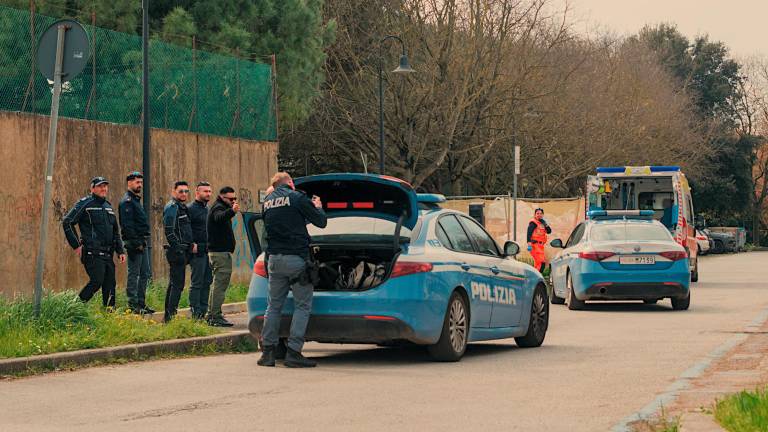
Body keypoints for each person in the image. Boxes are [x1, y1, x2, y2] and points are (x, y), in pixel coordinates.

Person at [258, 172, 327, 368]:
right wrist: (318, 207)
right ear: (290, 183)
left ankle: (268, 353)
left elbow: (287, 222)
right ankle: (294, 352)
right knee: (302, 306)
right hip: (295, 259)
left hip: (274, 260)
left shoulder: (268, 201)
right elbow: (320, 222)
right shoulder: (297, 197)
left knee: (273, 306)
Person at [62, 177, 126, 308]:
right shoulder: (85, 204)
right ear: (92, 189)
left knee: (110, 285)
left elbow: (115, 231)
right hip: (92, 253)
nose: (103, 189)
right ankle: (74, 308)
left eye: (105, 186)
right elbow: (67, 222)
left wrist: (120, 251)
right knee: (97, 281)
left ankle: (110, 315)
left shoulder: (108, 207)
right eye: (100, 186)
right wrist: (76, 245)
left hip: (108, 254)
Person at [119, 171, 154, 314]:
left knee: (145, 273)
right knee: (134, 274)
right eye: (137, 182)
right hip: (135, 243)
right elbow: (126, 226)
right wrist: (136, 243)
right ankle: (133, 306)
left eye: (140, 182)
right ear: (129, 183)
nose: (139, 185)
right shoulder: (127, 201)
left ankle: (141, 303)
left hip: (142, 242)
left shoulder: (135, 201)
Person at [206, 186, 240, 327]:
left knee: (217, 285)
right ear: (222, 197)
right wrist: (231, 212)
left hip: (220, 252)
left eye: (234, 199)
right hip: (219, 253)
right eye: (230, 199)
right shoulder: (218, 208)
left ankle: (212, 314)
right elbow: (219, 218)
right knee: (220, 285)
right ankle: (215, 316)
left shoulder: (220, 206)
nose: (233, 201)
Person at [162, 181, 195, 322]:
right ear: (173, 191)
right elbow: (169, 231)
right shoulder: (172, 207)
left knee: (174, 284)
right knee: (177, 285)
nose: (184, 194)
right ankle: (170, 317)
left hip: (184, 250)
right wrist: (179, 249)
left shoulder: (182, 207)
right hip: (177, 252)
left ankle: (168, 317)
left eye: (186, 191)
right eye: (181, 191)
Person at [188, 182, 213, 320]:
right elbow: (186, 229)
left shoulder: (208, 209)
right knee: (197, 282)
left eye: (210, 191)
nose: (208, 194)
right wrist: (191, 244)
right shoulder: (190, 209)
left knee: (207, 281)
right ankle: (195, 313)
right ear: (197, 192)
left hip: (209, 251)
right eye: (205, 191)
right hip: (197, 252)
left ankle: (203, 311)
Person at [527, 208, 552, 273]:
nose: (539, 215)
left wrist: (545, 224)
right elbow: (529, 233)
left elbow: (549, 231)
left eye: (541, 213)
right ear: (535, 215)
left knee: (538, 264)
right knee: (541, 263)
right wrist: (529, 243)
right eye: (537, 213)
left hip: (540, 246)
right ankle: (538, 278)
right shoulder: (533, 222)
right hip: (534, 245)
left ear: (543, 215)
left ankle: (533, 279)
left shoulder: (542, 223)